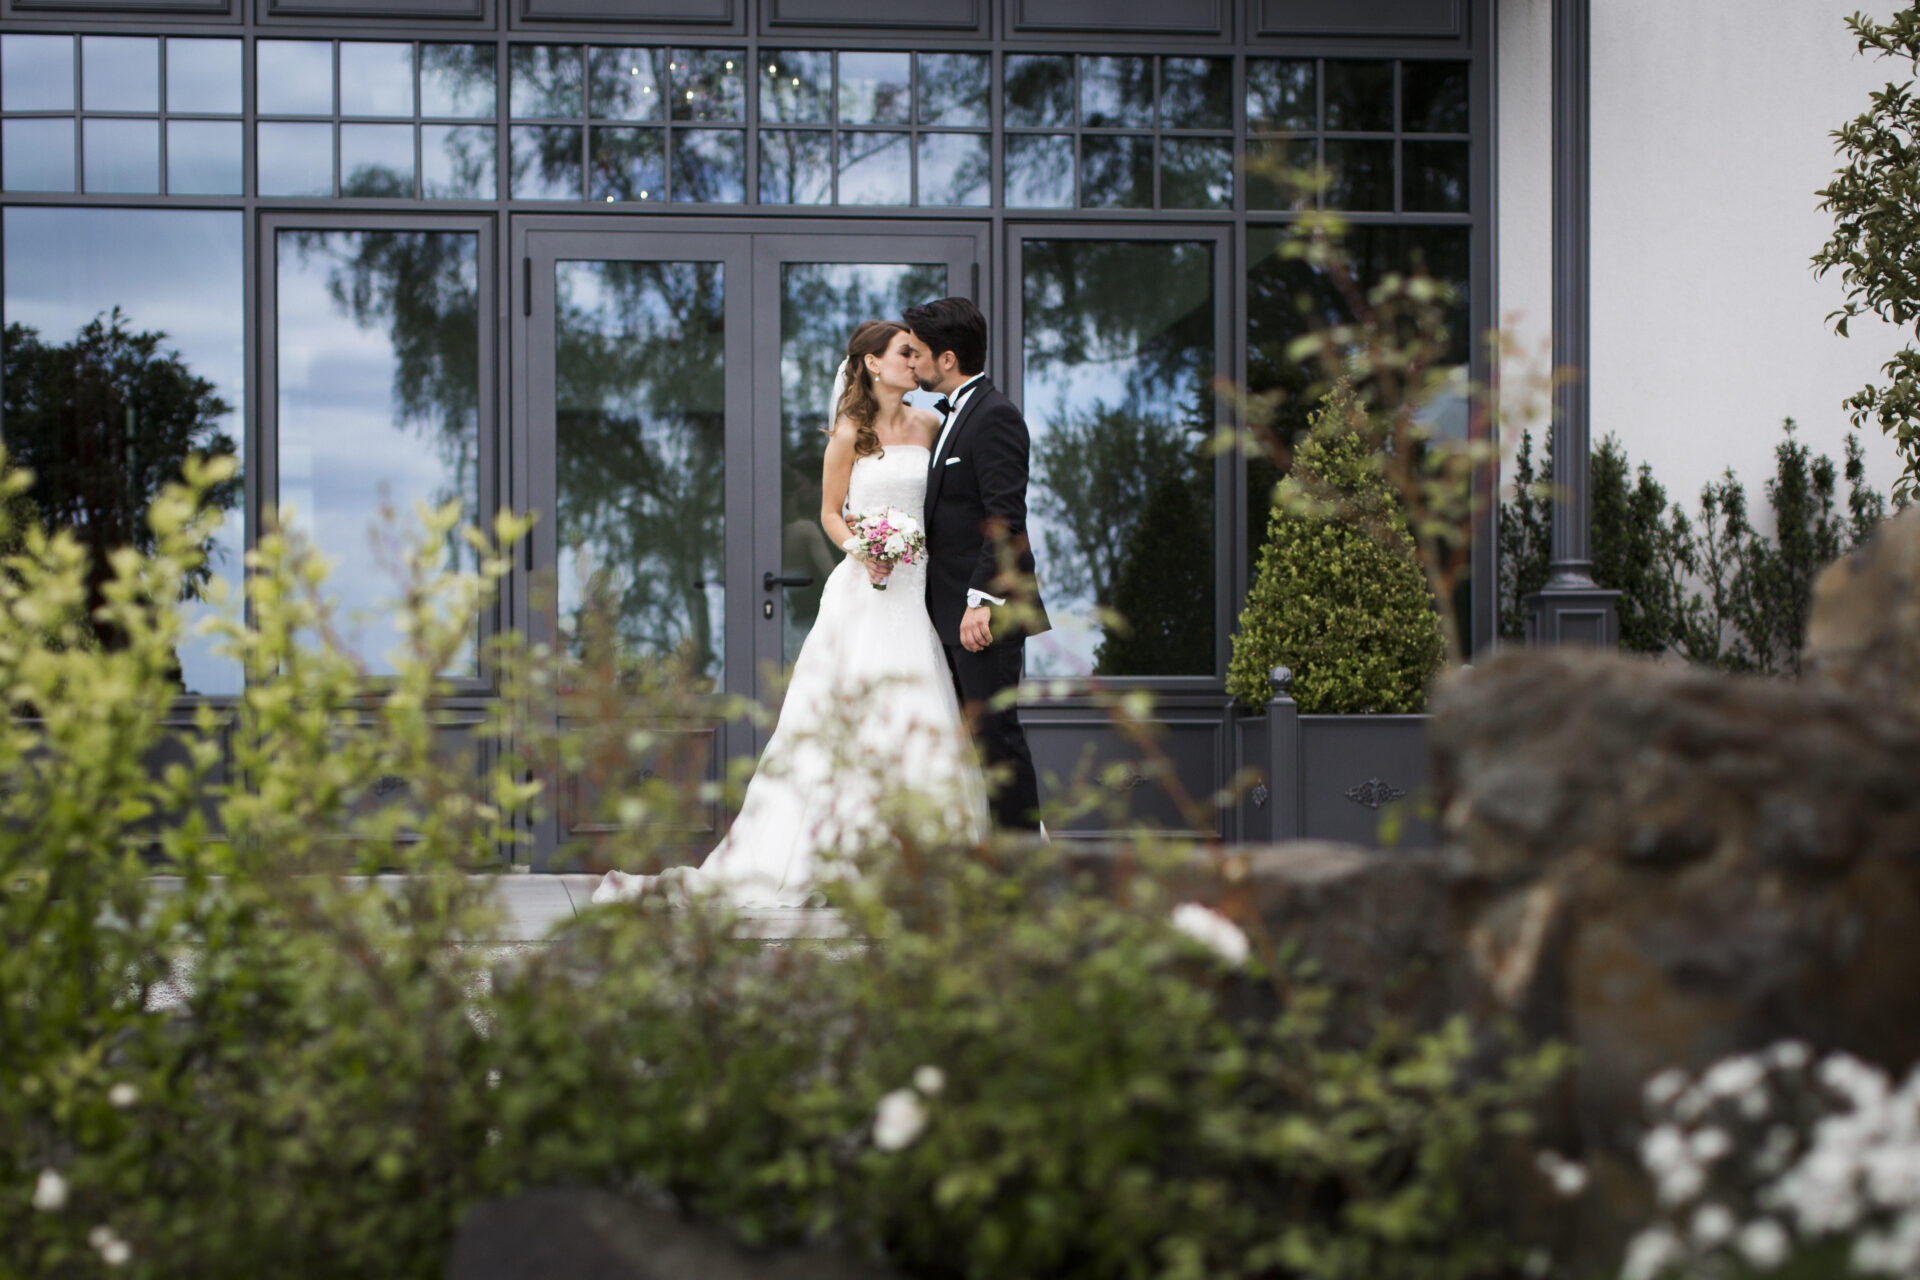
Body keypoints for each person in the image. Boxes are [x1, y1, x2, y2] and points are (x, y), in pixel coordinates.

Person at [592, 321, 989, 907]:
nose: (917, 361)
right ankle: (833, 857)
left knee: (919, 707)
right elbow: (831, 514)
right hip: (865, 591)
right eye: (906, 352)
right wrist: (865, 549)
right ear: (873, 364)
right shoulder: (850, 432)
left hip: (917, 590)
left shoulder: (933, 425)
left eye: (918, 352)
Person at [900, 297, 1049, 832]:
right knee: (971, 743)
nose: (910, 361)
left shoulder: (995, 416)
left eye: (916, 352)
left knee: (996, 739)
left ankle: (1023, 862)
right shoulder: (953, 418)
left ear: (946, 359)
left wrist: (980, 602)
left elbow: (1004, 518)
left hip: (984, 614)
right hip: (949, 613)